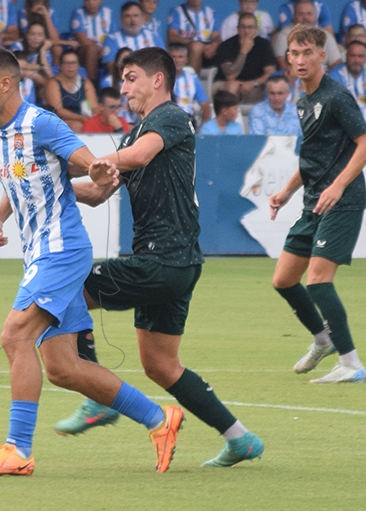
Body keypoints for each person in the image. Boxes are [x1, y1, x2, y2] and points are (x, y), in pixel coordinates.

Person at [45, 45, 265, 466]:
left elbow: (138, 156)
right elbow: (98, 192)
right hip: (177, 263)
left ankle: (98, 397)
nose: (123, 88)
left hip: (160, 259)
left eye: (130, 78)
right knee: (162, 366)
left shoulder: (169, 117)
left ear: (157, 79)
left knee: (68, 285)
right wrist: (46, 191)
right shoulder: (135, 133)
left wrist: (81, 162)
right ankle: (241, 439)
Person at [0, 48, 138, 476]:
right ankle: (159, 419)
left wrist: (98, 171)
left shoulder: (40, 122)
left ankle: (17, 449)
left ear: (5, 84)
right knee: (64, 367)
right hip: (39, 250)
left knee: (14, 336)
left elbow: (86, 160)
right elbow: (18, 180)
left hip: (60, 249)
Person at [266, 25, 366, 385]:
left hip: (341, 201)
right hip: (314, 201)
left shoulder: (335, 96)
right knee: (283, 280)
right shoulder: (304, 100)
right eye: (293, 54)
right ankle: (322, 339)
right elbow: (313, 159)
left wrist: (338, 186)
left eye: (306, 53)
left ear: (322, 56)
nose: (299, 60)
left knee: (317, 280)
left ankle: (351, 363)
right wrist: (285, 192)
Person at [211, 12, 276, 103]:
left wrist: (253, 83)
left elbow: (270, 72)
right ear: (237, 29)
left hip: (254, 85)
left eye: (250, 27)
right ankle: (231, 114)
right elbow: (230, 75)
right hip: (225, 84)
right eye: (243, 27)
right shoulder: (226, 45)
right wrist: (243, 52)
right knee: (233, 85)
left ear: (256, 29)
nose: (246, 31)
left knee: (271, 88)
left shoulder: (264, 45)